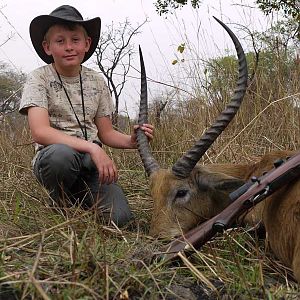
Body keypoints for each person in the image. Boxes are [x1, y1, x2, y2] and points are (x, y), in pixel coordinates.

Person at [19, 5, 154, 227]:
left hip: (90, 165)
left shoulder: (97, 81)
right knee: (60, 157)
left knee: (120, 220)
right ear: (47, 47)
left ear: (87, 44)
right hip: (55, 159)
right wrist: (92, 147)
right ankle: (59, 202)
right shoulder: (38, 78)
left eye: (75, 40)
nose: (69, 47)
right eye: (60, 41)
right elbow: (40, 132)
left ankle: (80, 199)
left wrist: (132, 141)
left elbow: (107, 133)